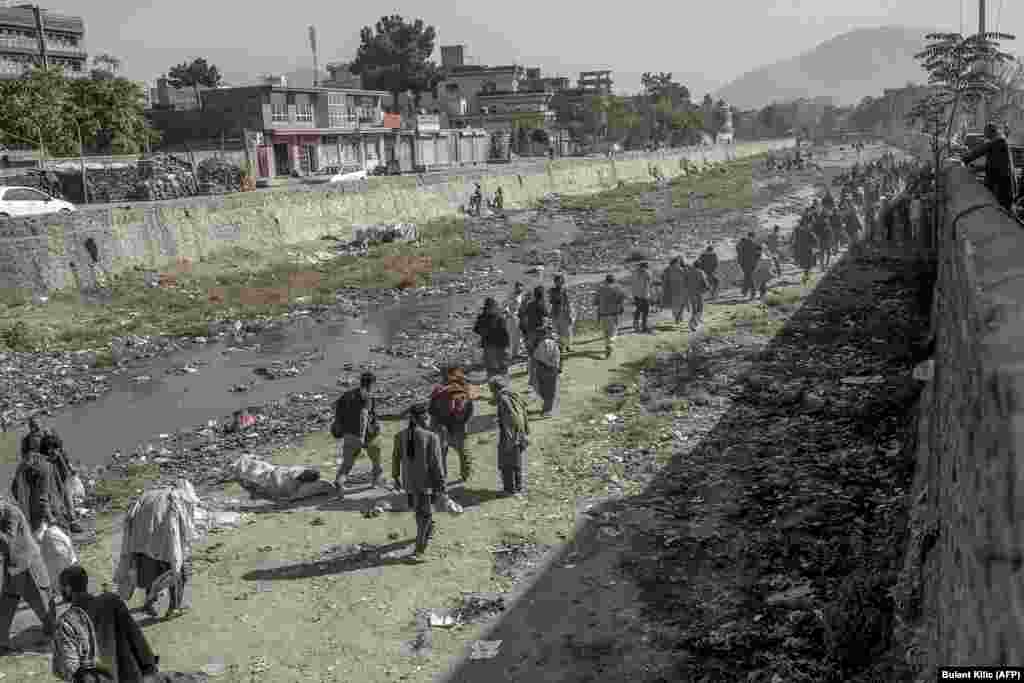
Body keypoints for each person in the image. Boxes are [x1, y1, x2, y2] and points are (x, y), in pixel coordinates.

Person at [55, 565, 160, 682]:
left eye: (61, 587)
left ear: (68, 589)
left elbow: (66, 668)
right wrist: (149, 669)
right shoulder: (111, 601)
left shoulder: (66, 622)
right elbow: (137, 640)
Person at [115, 480, 198, 619]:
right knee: (177, 574)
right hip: (165, 542)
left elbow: (131, 516)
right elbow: (183, 527)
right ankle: (173, 608)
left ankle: (148, 604)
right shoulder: (177, 497)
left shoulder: (149, 494)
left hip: (141, 541)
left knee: (150, 572)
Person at [0, 497, 56, 654]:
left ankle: (53, 632)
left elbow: (8, 541)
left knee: (41, 599)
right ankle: (2, 642)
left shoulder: (12, 513)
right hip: (12, 565)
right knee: (7, 603)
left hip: (28, 564)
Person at [391, 404, 446, 560]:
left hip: (410, 483)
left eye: (427, 417)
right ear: (418, 418)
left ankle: (427, 533)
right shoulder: (431, 437)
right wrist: (441, 483)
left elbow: (395, 458)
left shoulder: (400, 435)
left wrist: (396, 477)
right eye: (425, 417)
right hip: (426, 484)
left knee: (420, 513)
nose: (427, 420)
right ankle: (420, 549)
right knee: (424, 515)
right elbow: (436, 464)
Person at [331, 371, 383, 493]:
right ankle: (375, 482)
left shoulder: (346, 395)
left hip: (349, 434)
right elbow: (364, 415)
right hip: (368, 436)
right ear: (372, 384)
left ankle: (340, 482)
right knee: (376, 460)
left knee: (347, 464)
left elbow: (336, 410)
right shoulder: (368, 396)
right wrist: (362, 435)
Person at [12, 435, 72, 535]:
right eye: (58, 450)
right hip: (42, 520)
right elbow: (43, 497)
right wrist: (51, 519)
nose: (59, 453)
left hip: (29, 516)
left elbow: (14, 488)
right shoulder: (45, 466)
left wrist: (26, 504)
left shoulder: (27, 463)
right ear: (51, 449)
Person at [428, 366, 478, 483]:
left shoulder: (438, 389)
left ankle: (442, 476)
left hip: (440, 425)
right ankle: (466, 475)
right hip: (459, 425)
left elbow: (431, 410)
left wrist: (434, 426)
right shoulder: (465, 388)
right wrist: (464, 422)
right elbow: (470, 408)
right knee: (463, 451)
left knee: (441, 452)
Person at [962, 123, 1017, 211]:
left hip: (1001, 186)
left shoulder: (997, 141)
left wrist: (963, 159)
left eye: (985, 133)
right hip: (1003, 184)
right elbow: (994, 164)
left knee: (1001, 212)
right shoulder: (1000, 141)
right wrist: (977, 167)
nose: (984, 135)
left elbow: (977, 152)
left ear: (990, 132)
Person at [490, 375, 530, 496]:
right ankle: (518, 487)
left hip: (510, 435)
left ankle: (509, 490)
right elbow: (521, 413)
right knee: (516, 462)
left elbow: (511, 419)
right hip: (519, 433)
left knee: (506, 464)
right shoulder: (513, 394)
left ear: (494, 388)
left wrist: (509, 439)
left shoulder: (503, 399)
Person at [519, 286, 549, 394]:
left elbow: (523, 318)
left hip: (530, 334)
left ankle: (531, 382)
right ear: (542, 295)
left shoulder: (529, 305)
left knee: (532, 358)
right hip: (539, 334)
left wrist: (526, 333)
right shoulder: (541, 305)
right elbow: (545, 318)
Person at [473, 297, 510, 380]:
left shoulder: (497, 317)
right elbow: (476, 329)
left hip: (498, 346)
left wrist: (507, 346)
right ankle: (497, 383)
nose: (494, 308)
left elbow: (505, 333)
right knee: (493, 368)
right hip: (491, 346)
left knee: (501, 367)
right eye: (493, 307)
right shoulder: (492, 317)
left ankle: (503, 383)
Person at [532, 319, 562, 417]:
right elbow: (558, 358)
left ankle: (547, 410)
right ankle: (548, 407)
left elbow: (535, 358)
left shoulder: (542, 344)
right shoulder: (553, 343)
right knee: (549, 391)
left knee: (544, 390)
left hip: (543, 369)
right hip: (550, 370)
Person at [594, 274, 626, 359]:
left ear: (606, 280)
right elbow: (622, 299)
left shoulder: (600, 289)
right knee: (613, 332)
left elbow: (595, 302)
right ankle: (610, 345)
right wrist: (621, 308)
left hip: (603, 314)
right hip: (613, 314)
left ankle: (607, 345)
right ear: (614, 280)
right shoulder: (618, 288)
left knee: (606, 333)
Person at [548, 274, 576, 352]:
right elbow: (551, 302)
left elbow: (568, 303)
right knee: (558, 332)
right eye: (557, 281)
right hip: (556, 313)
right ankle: (561, 347)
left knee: (567, 331)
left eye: (560, 281)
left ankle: (568, 346)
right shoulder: (552, 291)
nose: (558, 283)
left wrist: (570, 314)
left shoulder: (564, 291)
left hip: (564, 313)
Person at [681, 259, 710, 331]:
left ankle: (695, 322)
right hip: (698, 292)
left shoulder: (688, 272)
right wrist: (707, 288)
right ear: (700, 266)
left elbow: (684, 282)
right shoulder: (701, 272)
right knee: (700, 308)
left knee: (694, 309)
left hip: (690, 293)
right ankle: (693, 323)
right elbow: (705, 282)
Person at [661, 257, 687, 324]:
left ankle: (677, 317)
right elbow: (686, 278)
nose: (679, 263)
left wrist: (664, 288)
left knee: (674, 304)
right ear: (676, 262)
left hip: (671, 289)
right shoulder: (681, 269)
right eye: (678, 262)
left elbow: (663, 278)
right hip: (680, 288)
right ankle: (678, 316)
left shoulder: (667, 269)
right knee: (681, 303)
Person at [736, 231, 762, 300]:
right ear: (753, 237)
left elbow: (738, 250)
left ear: (748, 236)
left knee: (747, 276)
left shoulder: (742, 243)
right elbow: (759, 254)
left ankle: (745, 291)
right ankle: (752, 292)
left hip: (744, 263)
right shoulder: (756, 244)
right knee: (748, 277)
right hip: (752, 263)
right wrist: (756, 260)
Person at [504, 282, 526, 359]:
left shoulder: (521, 295)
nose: (520, 289)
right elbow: (506, 306)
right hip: (511, 318)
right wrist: (509, 314)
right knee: (512, 337)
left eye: (521, 287)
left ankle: (517, 353)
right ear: (515, 287)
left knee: (518, 336)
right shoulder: (511, 295)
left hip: (518, 317)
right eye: (518, 287)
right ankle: (511, 354)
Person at [631, 262, 653, 333]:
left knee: (638, 310)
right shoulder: (646, 273)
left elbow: (634, 284)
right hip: (644, 295)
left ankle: (636, 325)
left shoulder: (635, 273)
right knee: (645, 311)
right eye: (647, 267)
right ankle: (644, 326)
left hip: (636, 295)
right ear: (645, 267)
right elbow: (648, 284)